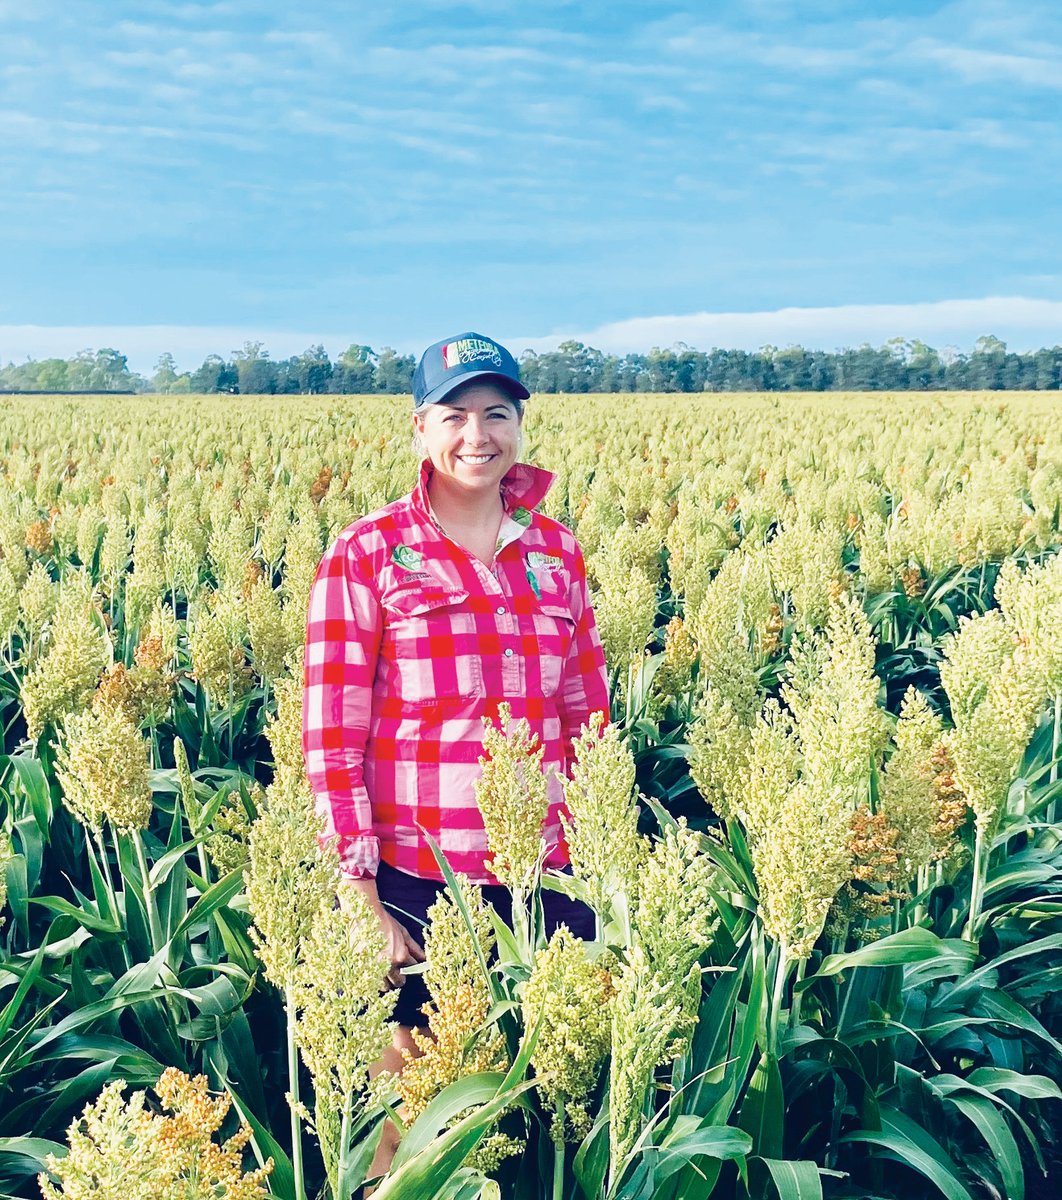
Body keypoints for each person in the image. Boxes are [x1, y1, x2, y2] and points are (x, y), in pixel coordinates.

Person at [301, 330, 609, 1172]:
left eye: (497, 414)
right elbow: (333, 732)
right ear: (420, 429)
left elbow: (588, 713)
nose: (479, 435)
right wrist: (358, 893)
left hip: (545, 870)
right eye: (457, 415)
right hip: (418, 877)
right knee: (410, 1118)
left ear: (520, 426)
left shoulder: (557, 552)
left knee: (550, 1097)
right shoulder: (367, 554)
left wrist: (604, 848)